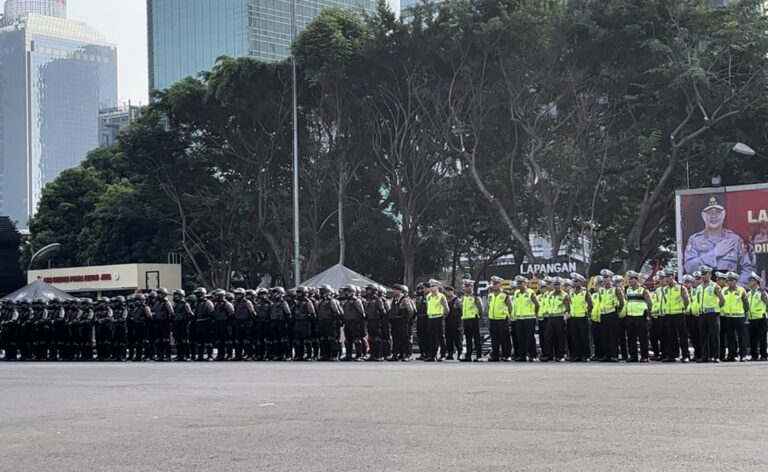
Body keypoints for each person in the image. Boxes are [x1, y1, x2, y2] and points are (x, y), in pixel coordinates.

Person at [684, 194, 752, 284]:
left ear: (724, 214)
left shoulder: (734, 239)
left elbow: (747, 267)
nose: (714, 216)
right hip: (705, 293)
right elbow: (689, 268)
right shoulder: (695, 240)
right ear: (703, 215)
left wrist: (738, 287)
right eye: (709, 212)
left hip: (729, 294)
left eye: (718, 212)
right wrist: (714, 254)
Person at [696, 266, 725, 363]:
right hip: (702, 314)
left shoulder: (715, 286)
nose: (703, 276)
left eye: (705, 274)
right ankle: (705, 356)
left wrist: (717, 309)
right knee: (703, 336)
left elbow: (722, 300)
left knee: (714, 336)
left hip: (712, 314)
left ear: (710, 274)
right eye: (702, 274)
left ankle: (716, 356)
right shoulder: (699, 287)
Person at [660, 270, 690, 362]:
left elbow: (686, 300)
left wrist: (683, 309)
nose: (667, 279)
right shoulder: (664, 289)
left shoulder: (681, 287)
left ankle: (685, 355)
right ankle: (672, 355)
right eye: (665, 277)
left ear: (673, 276)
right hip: (668, 314)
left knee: (682, 336)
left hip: (679, 314)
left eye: (668, 276)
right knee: (670, 336)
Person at [624, 271, 652, 362]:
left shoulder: (643, 290)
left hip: (640, 316)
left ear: (636, 279)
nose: (630, 280)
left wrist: (648, 314)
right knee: (631, 338)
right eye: (629, 279)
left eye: (632, 279)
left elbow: (650, 303)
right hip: (630, 316)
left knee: (643, 338)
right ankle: (633, 356)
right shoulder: (627, 290)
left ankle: (645, 356)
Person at [721, 271, 748, 362]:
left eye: (732, 280)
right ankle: (732, 355)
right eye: (728, 280)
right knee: (730, 337)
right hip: (728, 317)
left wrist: (745, 314)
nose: (729, 282)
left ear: (736, 281)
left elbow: (746, 304)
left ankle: (743, 355)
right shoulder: (724, 290)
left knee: (741, 337)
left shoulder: (741, 290)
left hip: (739, 317)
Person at [598, 270, 624, 362]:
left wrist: (618, 309)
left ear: (610, 278)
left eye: (607, 277)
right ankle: (607, 355)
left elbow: (621, 301)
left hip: (612, 313)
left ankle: (614, 355)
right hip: (603, 313)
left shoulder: (616, 288)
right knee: (604, 335)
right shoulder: (601, 289)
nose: (605, 279)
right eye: (604, 277)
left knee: (613, 335)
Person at [542, 277, 569, 362]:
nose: (556, 286)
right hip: (550, 317)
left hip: (560, 317)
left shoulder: (565, 295)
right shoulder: (550, 294)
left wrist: (565, 315)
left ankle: (560, 355)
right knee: (548, 337)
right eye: (555, 284)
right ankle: (549, 355)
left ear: (561, 285)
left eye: (558, 284)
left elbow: (568, 307)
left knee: (560, 337)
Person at [487, 276, 513, 362]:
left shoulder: (504, 295)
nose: (493, 285)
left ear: (499, 284)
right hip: (493, 320)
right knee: (494, 339)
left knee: (505, 339)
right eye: (492, 284)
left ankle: (507, 355)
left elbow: (510, 307)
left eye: (495, 284)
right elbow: (488, 306)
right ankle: (495, 355)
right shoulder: (490, 295)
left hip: (502, 319)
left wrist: (508, 316)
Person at [567, 273, 592, 362]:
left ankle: (585, 355)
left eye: (577, 281)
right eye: (574, 281)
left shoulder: (585, 292)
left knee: (584, 337)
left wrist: (587, 312)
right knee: (574, 337)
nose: (575, 283)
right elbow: (569, 303)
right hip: (573, 317)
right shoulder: (571, 292)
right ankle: (576, 355)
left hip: (582, 317)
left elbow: (590, 304)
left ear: (581, 282)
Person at [513, 276, 539, 362]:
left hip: (529, 318)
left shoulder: (531, 292)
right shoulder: (516, 293)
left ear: (525, 283)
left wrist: (533, 313)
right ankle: (522, 356)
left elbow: (537, 305)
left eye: (520, 283)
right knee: (520, 338)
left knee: (530, 338)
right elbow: (515, 305)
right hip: (519, 318)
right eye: (518, 283)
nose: (519, 285)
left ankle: (533, 355)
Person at [388, 284, 415, 361]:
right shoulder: (393, 299)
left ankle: (407, 355)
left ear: (400, 291)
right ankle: (395, 354)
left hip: (402, 321)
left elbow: (410, 310)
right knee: (395, 338)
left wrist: (407, 319)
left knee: (405, 338)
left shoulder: (405, 299)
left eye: (396, 289)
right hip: (395, 321)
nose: (394, 291)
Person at [459, 280, 484, 362]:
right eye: (464, 286)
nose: (465, 288)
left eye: (467, 286)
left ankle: (479, 356)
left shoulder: (475, 297)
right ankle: (468, 356)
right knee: (468, 338)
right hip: (466, 319)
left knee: (476, 338)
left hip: (473, 318)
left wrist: (480, 316)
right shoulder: (464, 297)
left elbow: (481, 308)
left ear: (471, 287)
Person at [424, 280, 449, 362]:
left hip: (439, 317)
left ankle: (443, 355)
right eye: (430, 286)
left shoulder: (441, 296)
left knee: (441, 337)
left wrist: (443, 316)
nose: (431, 288)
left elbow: (446, 309)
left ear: (437, 287)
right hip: (430, 317)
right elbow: (428, 306)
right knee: (432, 337)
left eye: (433, 286)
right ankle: (432, 355)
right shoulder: (428, 296)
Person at [315, 285, 342, 361]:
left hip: (330, 322)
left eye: (322, 291)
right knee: (323, 339)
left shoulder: (332, 301)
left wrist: (338, 321)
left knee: (332, 339)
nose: (320, 292)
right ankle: (325, 354)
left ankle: (334, 355)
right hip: (322, 322)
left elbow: (337, 312)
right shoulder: (320, 301)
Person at [341, 284, 365, 361]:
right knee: (347, 340)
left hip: (355, 322)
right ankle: (348, 355)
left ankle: (359, 355)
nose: (345, 293)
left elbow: (361, 312)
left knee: (357, 339)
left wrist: (360, 323)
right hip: (347, 322)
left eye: (347, 291)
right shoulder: (346, 301)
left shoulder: (356, 300)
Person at [747, 272, 768, 361]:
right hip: (752, 318)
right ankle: (754, 355)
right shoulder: (749, 293)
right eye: (749, 280)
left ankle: (764, 355)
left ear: (756, 282)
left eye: (752, 280)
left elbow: (767, 303)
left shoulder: (761, 292)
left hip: (761, 318)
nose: (750, 282)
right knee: (753, 338)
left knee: (762, 338)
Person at [292, 286, 316, 361]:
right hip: (298, 322)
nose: (298, 294)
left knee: (307, 340)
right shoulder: (296, 301)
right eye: (298, 292)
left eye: (300, 292)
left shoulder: (307, 301)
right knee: (298, 340)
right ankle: (300, 355)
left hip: (305, 322)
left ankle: (309, 355)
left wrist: (312, 323)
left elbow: (312, 313)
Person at [363, 284, 387, 361]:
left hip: (377, 321)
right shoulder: (368, 300)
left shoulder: (378, 300)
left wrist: (381, 321)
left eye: (369, 290)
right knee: (371, 338)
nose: (368, 291)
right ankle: (372, 355)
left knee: (378, 339)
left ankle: (379, 355)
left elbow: (383, 311)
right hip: (370, 321)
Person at [267, 287, 291, 361]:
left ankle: (287, 355)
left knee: (283, 340)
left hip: (281, 322)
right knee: (275, 340)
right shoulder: (272, 303)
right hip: (273, 322)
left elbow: (288, 313)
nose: (274, 294)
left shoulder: (284, 303)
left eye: (276, 293)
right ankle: (278, 354)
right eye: (273, 293)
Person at [212, 289, 234, 361]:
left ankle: (229, 355)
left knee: (228, 340)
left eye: (217, 296)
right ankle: (220, 354)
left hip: (226, 323)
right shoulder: (216, 305)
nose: (215, 297)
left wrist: (229, 323)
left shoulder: (227, 304)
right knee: (219, 340)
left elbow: (232, 313)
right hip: (218, 323)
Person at [192, 288, 214, 361]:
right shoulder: (197, 303)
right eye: (197, 294)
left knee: (208, 341)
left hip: (206, 324)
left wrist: (206, 320)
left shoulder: (208, 303)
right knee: (199, 341)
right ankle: (200, 356)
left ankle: (210, 355)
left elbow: (212, 314)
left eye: (199, 294)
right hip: (198, 324)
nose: (198, 295)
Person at [169, 290, 192, 361]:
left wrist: (188, 322)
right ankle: (179, 355)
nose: (175, 297)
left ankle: (186, 355)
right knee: (177, 340)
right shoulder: (175, 304)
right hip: (176, 323)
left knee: (184, 340)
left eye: (176, 295)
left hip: (183, 323)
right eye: (175, 295)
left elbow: (190, 314)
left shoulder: (185, 304)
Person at [152, 289, 173, 361]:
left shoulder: (167, 303)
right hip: (158, 322)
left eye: (159, 293)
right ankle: (160, 355)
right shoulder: (157, 303)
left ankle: (168, 356)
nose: (158, 295)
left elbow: (171, 313)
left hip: (165, 322)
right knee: (158, 340)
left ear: (163, 294)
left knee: (166, 340)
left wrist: (169, 322)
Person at [683, 274, 701, 361]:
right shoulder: (681, 292)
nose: (686, 284)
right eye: (685, 282)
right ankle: (689, 354)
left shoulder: (696, 291)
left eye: (688, 282)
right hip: (685, 315)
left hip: (694, 315)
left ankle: (698, 354)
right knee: (689, 336)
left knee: (696, 335)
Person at [444, 286, 463, 360]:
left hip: (456, 321)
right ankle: (450, 353)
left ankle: (460, 353)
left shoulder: (457, 300)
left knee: (457, 338)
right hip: (448, 321)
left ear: (453, 291)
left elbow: (462, 310)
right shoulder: (445, 300)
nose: (448, 292)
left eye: (449, 291)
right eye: (446, 291)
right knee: (449, 338)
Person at [252, 289, 272, 361]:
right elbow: (255, 312)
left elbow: (271, 313)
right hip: (259, 322)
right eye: (261, 294)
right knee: (259, 340)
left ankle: (268, 355)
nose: (262, 296)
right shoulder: (257, 303)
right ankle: (260, 354)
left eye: (264, 294)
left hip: (267, 323)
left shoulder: (270, 303)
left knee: (268, 340)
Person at [111, 296, 128, 361]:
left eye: (117, 302)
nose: (115, 303)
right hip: (115, 327)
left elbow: (123, 319)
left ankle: (123, 356)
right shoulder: (114, 309)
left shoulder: (124, 309)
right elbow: (112, 317)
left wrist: (115, 320)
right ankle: (117, 355)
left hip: (122, 327)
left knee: (122, 343)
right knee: (116, 342)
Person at [413, 283, 428, 360]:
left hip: (426, 318)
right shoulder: (417, 299)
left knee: (426, 337)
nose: (420, 291)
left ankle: (427, 353)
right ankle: (422, 353)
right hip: (419, 318)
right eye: (419, 289)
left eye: (421, 289)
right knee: (420, 337)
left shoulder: (429, 297)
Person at [590, 277, 603, 361]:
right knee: (596, 338)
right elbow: (591, 305)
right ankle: (597, 354)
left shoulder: (604, 294)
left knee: (603, 338)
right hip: (594, 318)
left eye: (598, 285)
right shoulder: (593, 295)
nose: (596, 287)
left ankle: (603, 354)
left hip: (602, 318)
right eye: (595, 285)